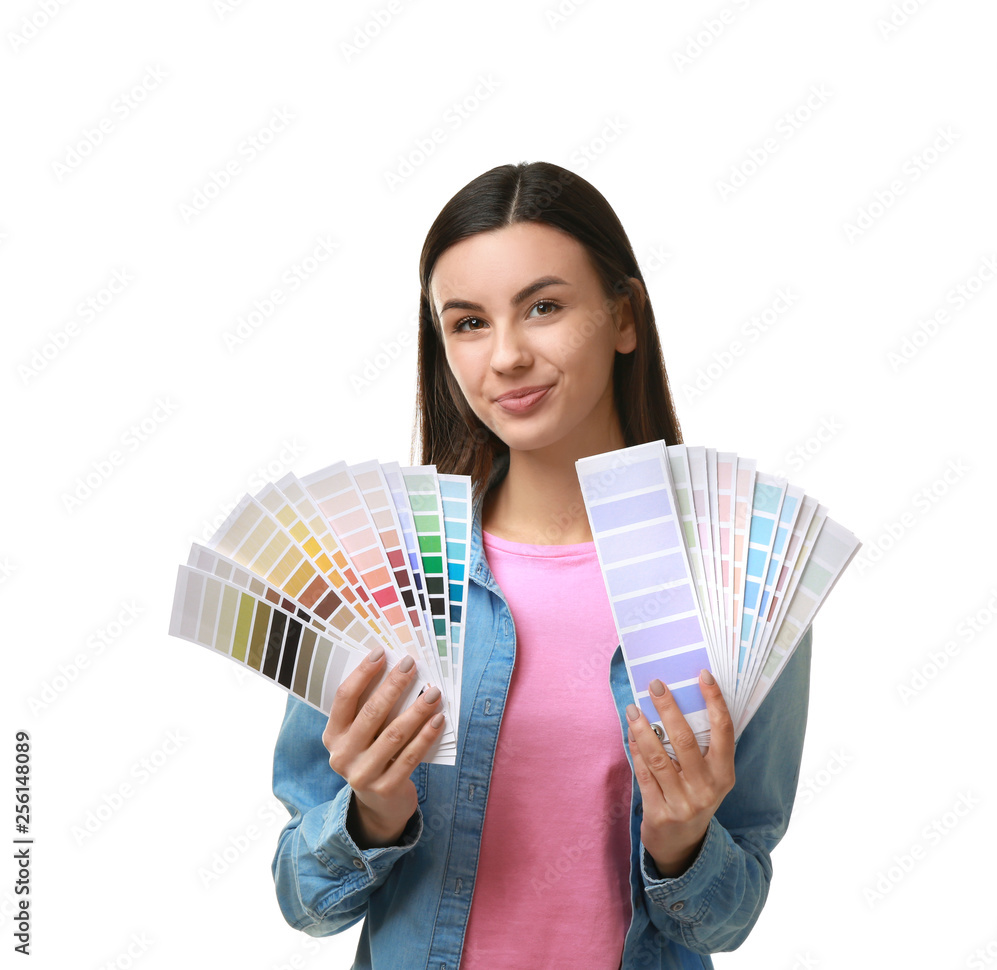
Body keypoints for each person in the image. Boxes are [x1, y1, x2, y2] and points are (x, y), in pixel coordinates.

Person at [270, 161, 812, 969]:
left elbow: (727, 922)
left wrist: (683, 844)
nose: (507, 357)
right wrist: (373, 813)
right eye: (467, 323)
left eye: (544, 308)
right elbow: (304, 901)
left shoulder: (739, 575)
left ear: (624, 315)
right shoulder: (385, 571)